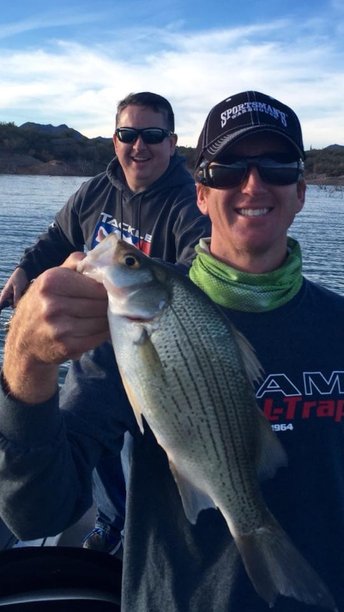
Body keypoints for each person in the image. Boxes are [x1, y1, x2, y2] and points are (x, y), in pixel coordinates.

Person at [0, 90, 343, 611]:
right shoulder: (120, 332)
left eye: (276, 165)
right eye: (228, 167)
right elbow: (36, 515)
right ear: (201, 194)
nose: (253, 183)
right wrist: (26, 362)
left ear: (301, 190)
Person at [0, 91, 211, 555]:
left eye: (152, 135)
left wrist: (127, 280)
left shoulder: (187, 203)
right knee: (94, 454)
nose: (140, 146)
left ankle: (144, 535)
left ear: (172, 142)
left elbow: (200, 273)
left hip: (154, 354)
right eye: (128, 134)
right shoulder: (96, 189)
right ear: (115, 139)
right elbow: (59, 236)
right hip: (96, 350)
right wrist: (25, 269)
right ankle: (109, 523)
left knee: (143, 450)